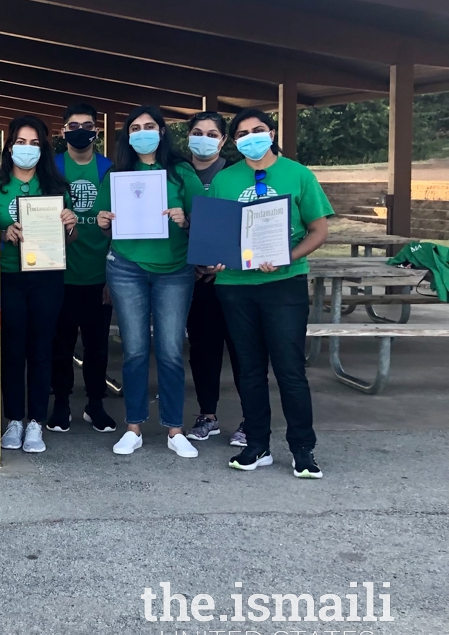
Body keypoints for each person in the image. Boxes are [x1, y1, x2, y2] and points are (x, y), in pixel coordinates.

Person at [209, 108, 330, 479]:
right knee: (248, 370)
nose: (251, 138)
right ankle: (257, 445)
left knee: (290, 370)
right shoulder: (225, 180)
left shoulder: (298, 174)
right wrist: (214, 257)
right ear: (233, 142)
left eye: (257, 130)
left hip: (284, 285)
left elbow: (318, 230)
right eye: (242, 134)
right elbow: (216, 236)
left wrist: (285, 258)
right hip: (235, 288)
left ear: (272, 132)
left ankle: (302, 449)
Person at [93, 105, 204, 459]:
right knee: (136, 349)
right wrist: (103, 219)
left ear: (161, 131)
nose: (143, 132)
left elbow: (202, 221)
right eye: (136, 127)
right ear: (127, 135)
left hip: (174, 269)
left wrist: (185, 221)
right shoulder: (117, 173)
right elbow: (101, 219)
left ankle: (174, 429)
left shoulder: (181, 170)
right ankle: (134, 427)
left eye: (150, 126)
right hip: (126, 267)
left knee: (171, 351)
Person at [0, 115, 77, 454]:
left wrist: (71, 225)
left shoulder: (57, 187)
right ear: (9, 146)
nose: (27, 149)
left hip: (47, 277)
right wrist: (4, 234)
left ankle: (36, 422)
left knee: (42, 348)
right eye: (21, 142)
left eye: (34, 143)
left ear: (44, 148)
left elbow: (68, 239)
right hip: (6, 277)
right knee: (12, 349)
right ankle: (14, 419)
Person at [48, 102, 117, 434]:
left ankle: (95, 404)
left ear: (96, 131)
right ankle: (61, 404)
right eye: (72, 126)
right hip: (59, 273)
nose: (80, 132)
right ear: (63, 132)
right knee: (60, 345)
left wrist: (113, 276)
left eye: (86, 125)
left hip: (98, 275)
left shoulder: (109, 170)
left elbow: (121, 226)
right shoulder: (51, 168)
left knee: (97, 346)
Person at [183, 112, 244, 446]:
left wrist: (224, 261)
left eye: (211, 133)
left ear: (223, 141)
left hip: (234, 278)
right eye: (197, 132)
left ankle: (251, 417)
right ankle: (207, 414)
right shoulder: (177, 174)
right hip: (193, 278)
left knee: (242, 348)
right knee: (203, 348)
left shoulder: (235, 175)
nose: (203, 138)